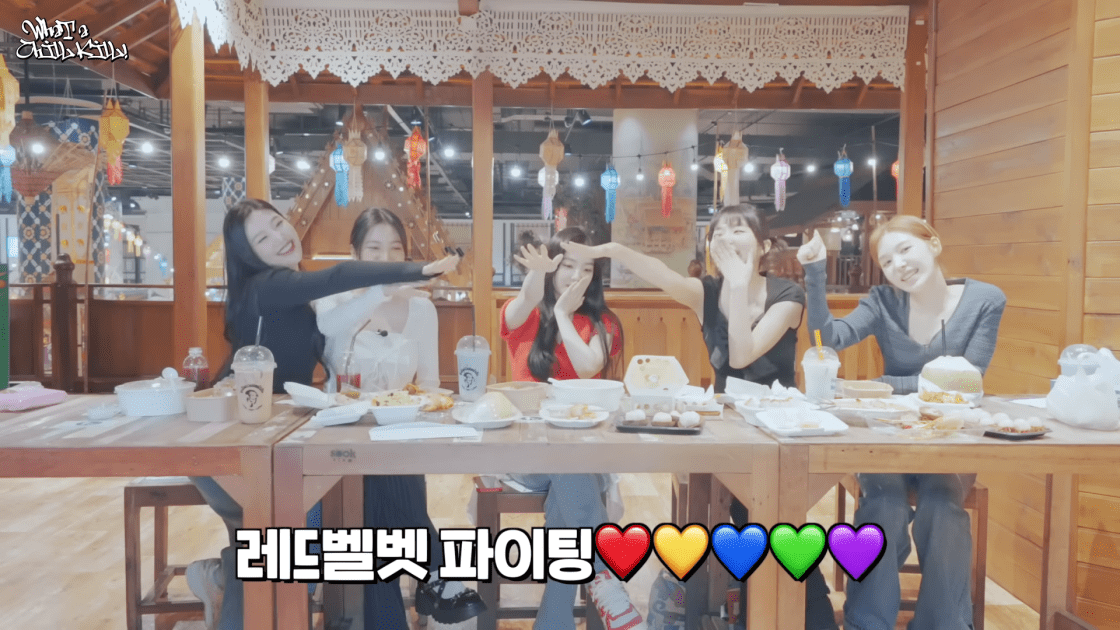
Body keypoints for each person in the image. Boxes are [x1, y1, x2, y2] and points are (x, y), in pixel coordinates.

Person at [187, 199, 460, 630]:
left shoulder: (297, 290)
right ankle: (227, 580)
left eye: (278, 223)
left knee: (282, 544)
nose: (280, 237)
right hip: (236, 435)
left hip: (273, 434)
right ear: (248, 254)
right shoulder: (269, 285)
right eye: (262, 238)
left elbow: (336, 318)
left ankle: (230, 581)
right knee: (270, 550)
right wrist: (417, 270)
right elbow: (336, 281)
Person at [563, 204, 838, 630]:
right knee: (750, 520)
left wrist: (740, 285)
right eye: (718, 232)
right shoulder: (706, 292)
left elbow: (742, 355)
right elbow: (659, 272)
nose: (725, 237)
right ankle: (750, 611)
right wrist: (614, 249)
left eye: (738, 229)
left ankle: (794, 615)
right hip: (727, 424)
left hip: (780, 427)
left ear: (764, 245)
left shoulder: (788, 295)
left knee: (767, 518)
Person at [797, 215, 1006, 630]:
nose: (899, 266)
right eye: (888, 261)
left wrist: (881, 384)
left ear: (933, 243)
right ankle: (867, 623)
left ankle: (944, 625)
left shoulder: (985, 300)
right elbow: (826, 340)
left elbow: (967, 380)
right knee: (883, 506)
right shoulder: (883, 301)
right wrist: (815, 273)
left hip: (948, 438)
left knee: (943, 507)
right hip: (887, 435)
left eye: (905, 249)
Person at [312, 208, 485, 628]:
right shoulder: (332, 301)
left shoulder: (421, 308)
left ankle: (400, 603)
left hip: (401, 433)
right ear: (354, 254)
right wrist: (377, 290)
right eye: (374, 249)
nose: (386, 258)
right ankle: (436, 570)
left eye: (394, 249)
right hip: (340, 439)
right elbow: (330, 330)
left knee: (381, 488)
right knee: (376, 481)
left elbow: (429, 384)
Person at [500, 227, 642, 630]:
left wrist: (564, 314)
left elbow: (587, 367)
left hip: (579, 454)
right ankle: (604, 577)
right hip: (524, 452)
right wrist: (538, 274)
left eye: (587, 269)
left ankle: (553, 621)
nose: (577, 275)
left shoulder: (603, 322)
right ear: (552, 267)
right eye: (567, 265)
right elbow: (526, 298)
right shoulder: (524, 312)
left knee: (568, 489)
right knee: (572, 464)